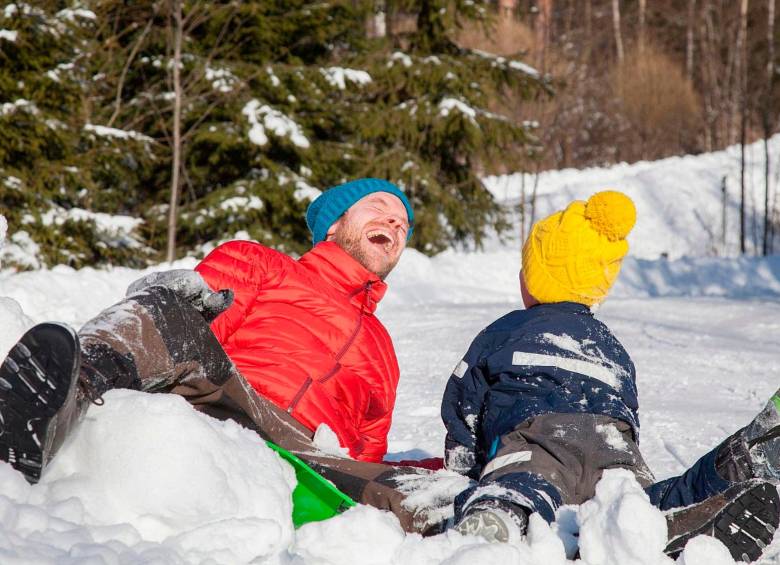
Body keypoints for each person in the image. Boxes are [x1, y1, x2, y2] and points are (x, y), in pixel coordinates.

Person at [0, 178, 446, 533]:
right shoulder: (260, 264)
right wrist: (184, 301)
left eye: (403, 225)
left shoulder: (383, 350)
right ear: (333, 225)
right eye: (379, 209)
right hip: (230, 401)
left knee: (431, 495)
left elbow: (368, 448)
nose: (394, 225)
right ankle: (50, 403)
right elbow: (192, 325)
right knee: (167, 308)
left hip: (314, 453)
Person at [442, 190, 780, 561]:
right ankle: (727, 472)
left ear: (535, 279)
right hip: (612, 445)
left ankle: (500, 516)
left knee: (524, 484)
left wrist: (463, 470)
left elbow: (464, 403)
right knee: (635, 503)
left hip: (538, 440)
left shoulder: (504, 331)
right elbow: (627, 413)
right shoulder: (611, 345)